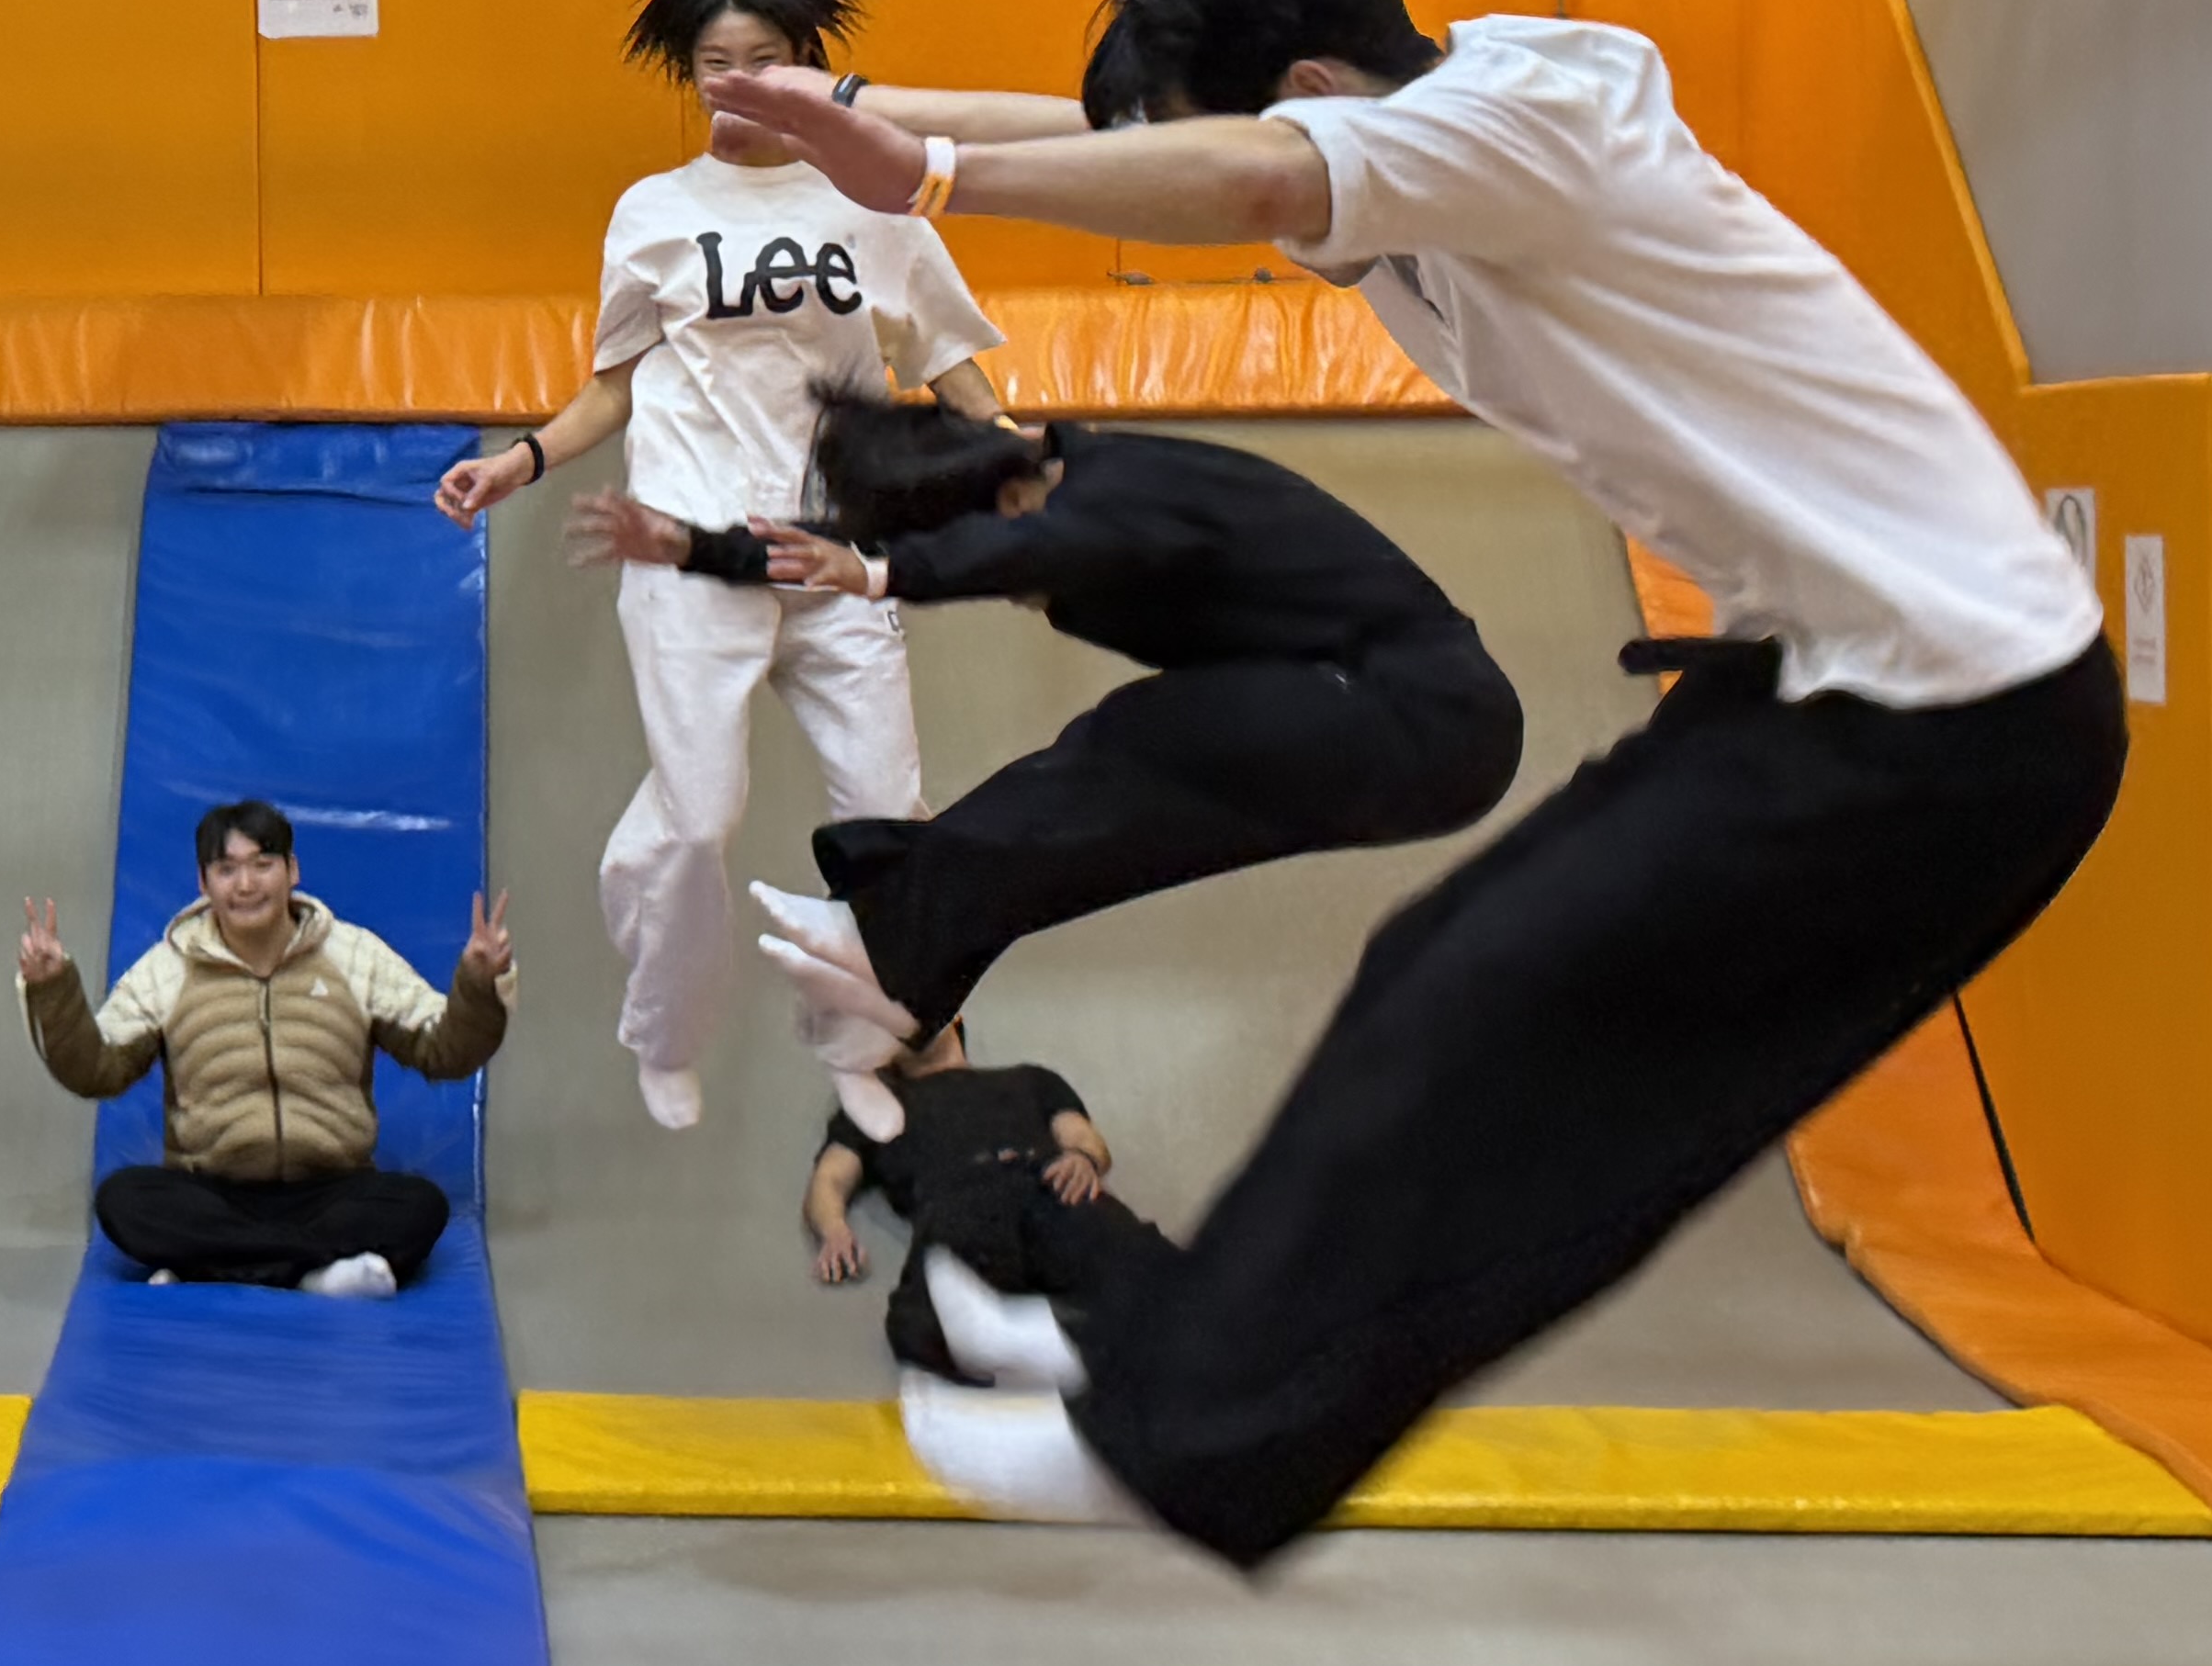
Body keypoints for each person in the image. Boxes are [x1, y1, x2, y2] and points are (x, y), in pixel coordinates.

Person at [705, 0, 2119, 1560]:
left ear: (1311, 93)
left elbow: (1244, 175)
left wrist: (936, 178)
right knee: (1434, 978)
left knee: (1517, 1039)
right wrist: (854, 107)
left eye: (1254, 142)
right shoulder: (1412, 148)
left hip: (1963, 718)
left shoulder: (1529, 123)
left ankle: (1178, 1441)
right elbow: (1134, 141)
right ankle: (1165, 1376)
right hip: (1828, 684)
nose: (1254, 220)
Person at [569, 395, 1523, 1140]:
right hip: (1376, 728)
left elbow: (1042, 544)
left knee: (1137, 742)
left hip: (1430, 711)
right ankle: (901, 972)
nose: (1026, 597)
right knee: (1116, 827)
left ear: (1013, 504)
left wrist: (888, 577)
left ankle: (888, 939)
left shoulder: (1119, 487)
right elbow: (857, 552)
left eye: (1016, 574)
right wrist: (694, 548)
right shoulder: (1056, 481)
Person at [433, 0, 999, 1132]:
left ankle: (862, 1037)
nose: (738, 85)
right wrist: (518, 461)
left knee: (892, 817)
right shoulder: (653, 211)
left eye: (764, 63)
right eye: (715, 67)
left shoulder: (873, 201)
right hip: (691, 551)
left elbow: (949, 361)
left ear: (809, 69)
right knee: (697, 821)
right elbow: (615, 385)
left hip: (835, 554)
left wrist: (1030, 475)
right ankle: (665, 1029)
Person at [17, 800, 516, 1294]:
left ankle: (206, 1268)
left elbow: (445, 1052)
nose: (246, 885)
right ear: (203, 882)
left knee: (420, 1205)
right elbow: (97, 1071)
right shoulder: (167, 968)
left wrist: (478, 983)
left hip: (332, 1192)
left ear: (292, 870)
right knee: (124, 1200)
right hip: (212, 1192)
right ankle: (317, 1273)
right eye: (226, 869)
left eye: (262, 864)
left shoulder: (354, 955)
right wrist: (52, 989)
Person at [794, 1019, 1114, 1294]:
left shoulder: (1032, 1080)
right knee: (926, 1319)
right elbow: (830, 1178)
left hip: (1053, 1202)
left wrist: (1082, 1158)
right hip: (959, 1225)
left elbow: (1081, 1136)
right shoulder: (875, 1108)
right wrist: (834, 1231)